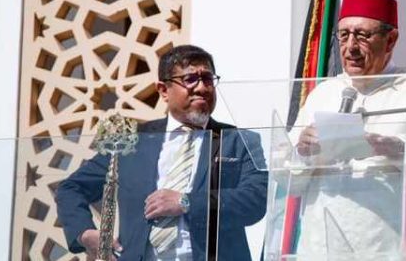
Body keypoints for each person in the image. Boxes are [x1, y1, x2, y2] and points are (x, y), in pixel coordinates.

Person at [292, 0, 406, 260]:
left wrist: (397, 148)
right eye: (343, 35)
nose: (351, 47)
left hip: (393, 249)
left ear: (391, 40)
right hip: (324, 249)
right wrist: (301, 152)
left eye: (362, 35)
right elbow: (286, 176)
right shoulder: (323, 94)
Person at [56, 45, 268, 261]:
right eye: (190, 79)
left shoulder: (237, 140)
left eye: (207, 79)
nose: (202, 87)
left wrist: (186, 202)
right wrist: (85, 234)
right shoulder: (133, 141)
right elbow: (71, 188)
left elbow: (256, 200)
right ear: (163, 90)